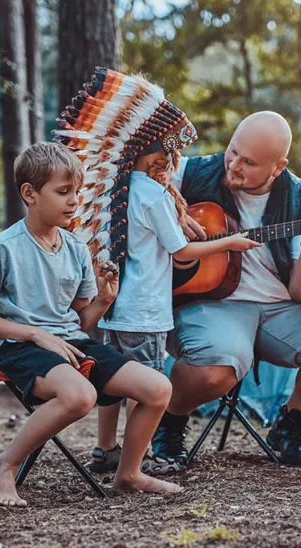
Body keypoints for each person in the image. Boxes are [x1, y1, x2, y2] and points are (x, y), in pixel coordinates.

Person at [53, 69, 259, 476]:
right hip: (145, 311)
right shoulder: (154, 193)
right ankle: (137, 461)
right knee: (145, 388)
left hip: (114, 307)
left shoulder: (123, 186)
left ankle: (105, 449)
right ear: (159, 152)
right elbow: (181, 249)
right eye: (171, 154)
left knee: (112, 378)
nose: (173, 162)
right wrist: (229, 243)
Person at [0, 142, 182, 506]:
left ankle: (128, 474)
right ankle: (2, 468)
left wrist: (104, 299)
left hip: (69, 343)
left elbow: (81, 322)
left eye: (77, 192)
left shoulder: (77, 249)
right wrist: (37, 334)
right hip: (19, 348)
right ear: (29, 194)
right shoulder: (4, 247)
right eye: (63, 192)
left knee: (158, 387)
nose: (74, 201)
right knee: (80, 396)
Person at [151, 111, 301, 467]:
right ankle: (169, 421)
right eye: (232, 152)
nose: (233, 165)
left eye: (248, 162)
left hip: (280, 310)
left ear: (278, 167)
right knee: (219, 363)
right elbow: (137, 190)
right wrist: (175, 215)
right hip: (208, 303)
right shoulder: (190, 172)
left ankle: (291, 423)